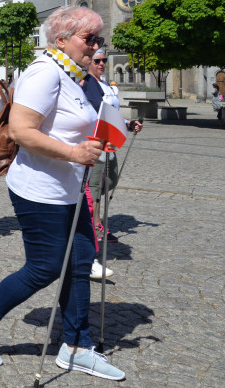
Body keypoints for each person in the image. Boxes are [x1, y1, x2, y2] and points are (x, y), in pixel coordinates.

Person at [0, 5, 125, 380]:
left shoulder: (77, 77)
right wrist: (75, 153)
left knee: (80, 260)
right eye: (88, 38)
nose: (96, 45)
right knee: (45, 267)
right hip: (39, 189)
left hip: (69, 188)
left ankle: (76, 346)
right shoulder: (44, 73)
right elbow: (21, 132)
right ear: (61, 40)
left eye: (98, 38)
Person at [81, 48, 142, 278]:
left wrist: (127, 123)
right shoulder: (87, 83)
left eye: (104, 60)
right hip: (96, 143)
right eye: (97, 60)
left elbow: (112, 112)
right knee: (94, 189)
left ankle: (95, 219)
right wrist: (122, 123)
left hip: (110, 143)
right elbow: (100, 111)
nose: (102, 64)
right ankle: (94, 228)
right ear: (89, 63)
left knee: (111, 180)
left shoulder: (105, 84)